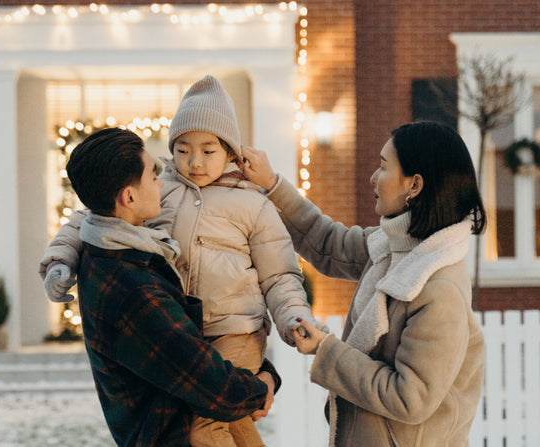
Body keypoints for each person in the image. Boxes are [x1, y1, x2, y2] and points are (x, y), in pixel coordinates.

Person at [40, 75, 324, 447]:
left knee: (205, 427)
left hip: (236, 329)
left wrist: (292, 318)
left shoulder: (254, 204)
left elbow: (279, 276)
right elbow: (88, 217)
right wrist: (61, 257)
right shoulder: (160, 188)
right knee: (234, 426)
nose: (194, 162)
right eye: (183, 149)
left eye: (208, 151)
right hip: (189, 333)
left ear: (230, 151)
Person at [240, 120, 486, 447]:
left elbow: (409, 399)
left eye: (383, 167)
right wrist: (272, 184)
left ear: (414, 185)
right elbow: (327, 242)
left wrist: (326, 350)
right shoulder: (392, 248)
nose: (373, 177)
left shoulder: (438, 288)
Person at [52, 127, 280, 447]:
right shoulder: (132, 289)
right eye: (152, 176)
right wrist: (265, 383)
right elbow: (211, 386)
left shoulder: (111, 251)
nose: (162, 182)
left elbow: (185, 347)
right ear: (129, 197)